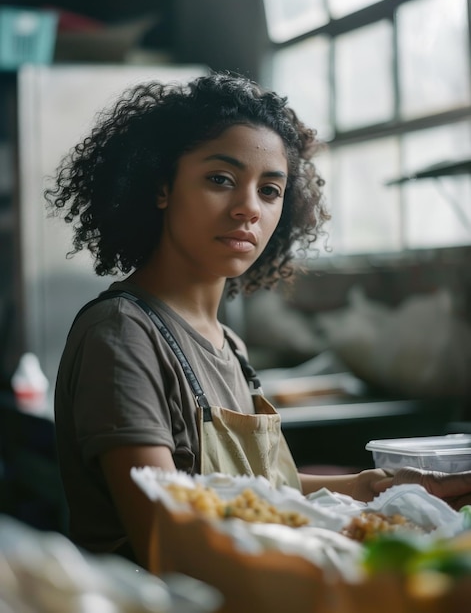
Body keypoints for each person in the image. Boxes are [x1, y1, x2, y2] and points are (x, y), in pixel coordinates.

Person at [45, 71, 471, 570]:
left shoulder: (229, 344)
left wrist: (368, 488)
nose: (248, 208)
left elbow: (264, 491)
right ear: (161, 186)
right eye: (221, 180)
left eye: (270, 190)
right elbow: (166, 540)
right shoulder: (122, 335)